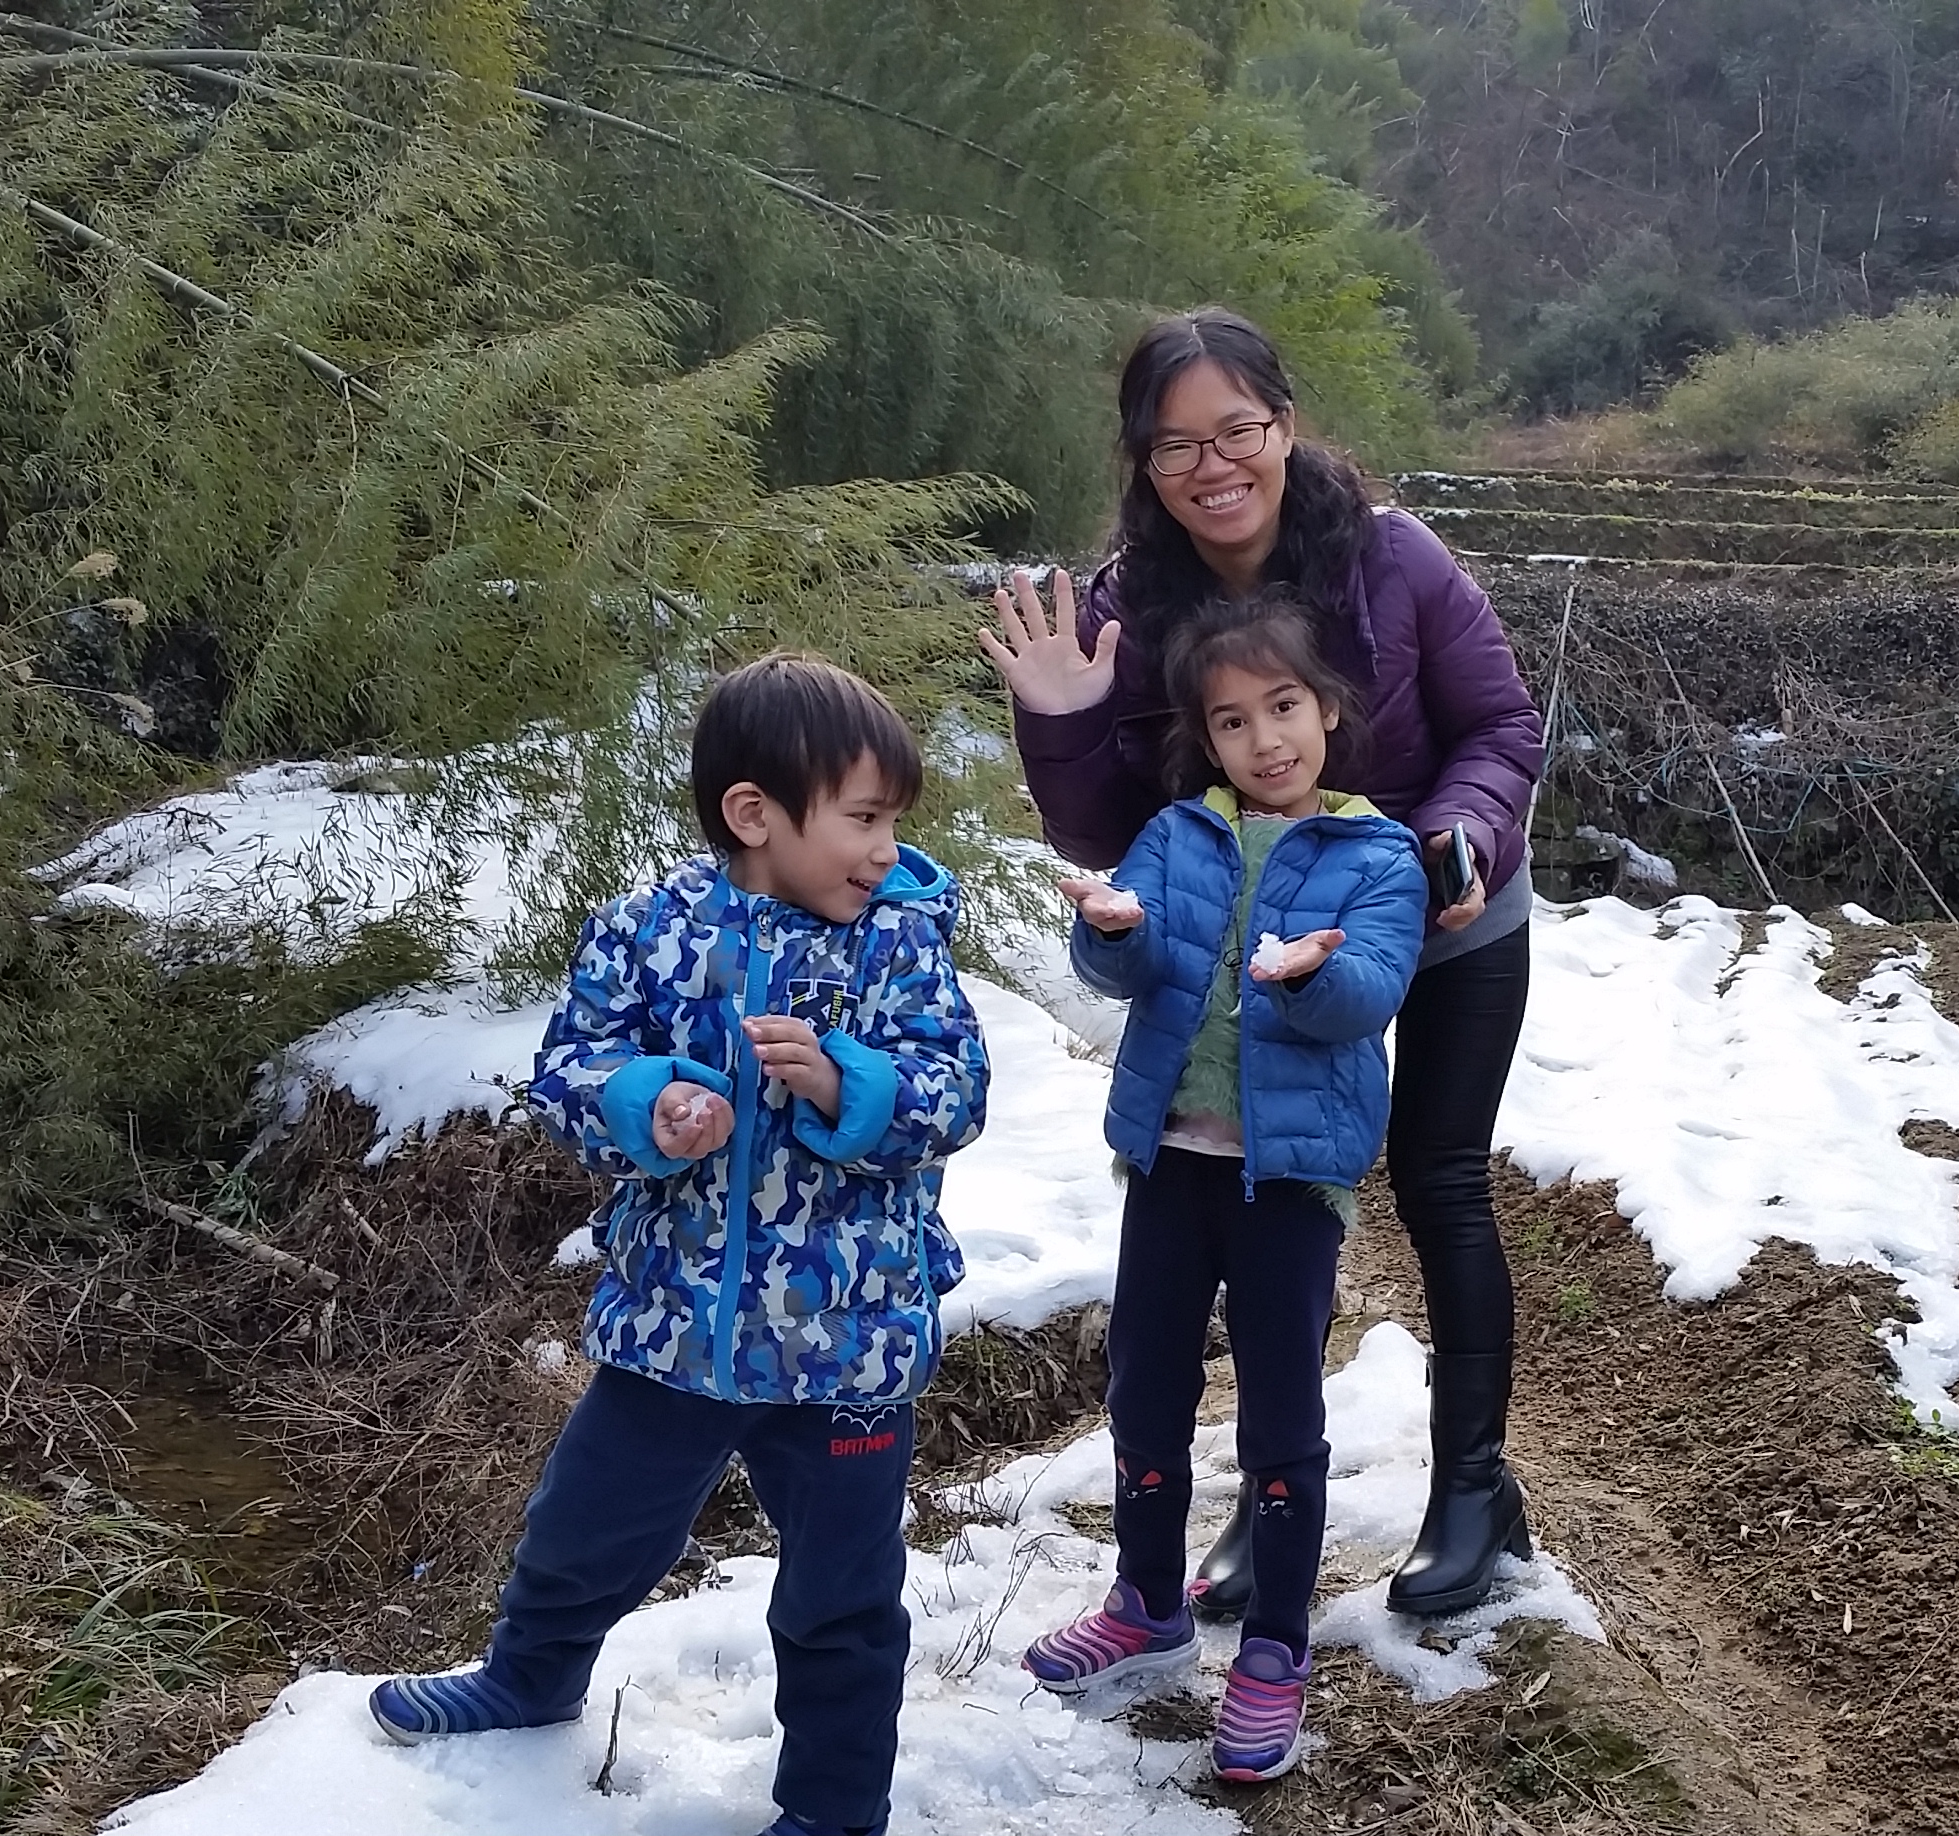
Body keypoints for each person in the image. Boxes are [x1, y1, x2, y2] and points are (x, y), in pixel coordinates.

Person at [978, 308, 1546, 1622]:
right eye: (1177, 443)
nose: (1212, 463)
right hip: (1260, 940)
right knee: (1268, 1189)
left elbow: (1501, 723)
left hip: (1444, 903)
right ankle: (1266, 1503)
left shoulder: (1392, 559)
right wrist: (1059, 723)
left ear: (1285, 425)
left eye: (1237, 427)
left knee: (1441, 1176)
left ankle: (1474, 1491)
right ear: (1143, 463)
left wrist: (1454, 842)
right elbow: (1114, 842)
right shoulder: (1125, 608)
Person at [365, 655, 991, 1836]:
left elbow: (952, 1091)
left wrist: (848, 1082)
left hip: (849, 1343)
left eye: (893, 820)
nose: (882, 848)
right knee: (583, 1528)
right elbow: (568, 1072)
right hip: (674, 1322)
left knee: (844, 1598)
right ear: (755, 815)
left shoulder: (901, 943)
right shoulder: (650, 931)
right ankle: (528, 1680)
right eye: (862, 819)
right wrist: (646, 1107)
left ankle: (835, 1807)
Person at [1016, 590, 1429, 1783]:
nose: (1266, 740)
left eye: (1285, 708)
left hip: (1288, 1184)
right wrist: (1108, 924)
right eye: (1235, 721)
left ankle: (1273, 1650)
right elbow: (1130, 961)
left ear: (1330, 712)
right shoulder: (1175, 836)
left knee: (1281, 1415)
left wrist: (1305, 978)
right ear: (1209, 737)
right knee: (1144, 1387)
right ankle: (1146, 1600)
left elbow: (1371, 994)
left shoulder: (1376, 854)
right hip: (1170, 1167)